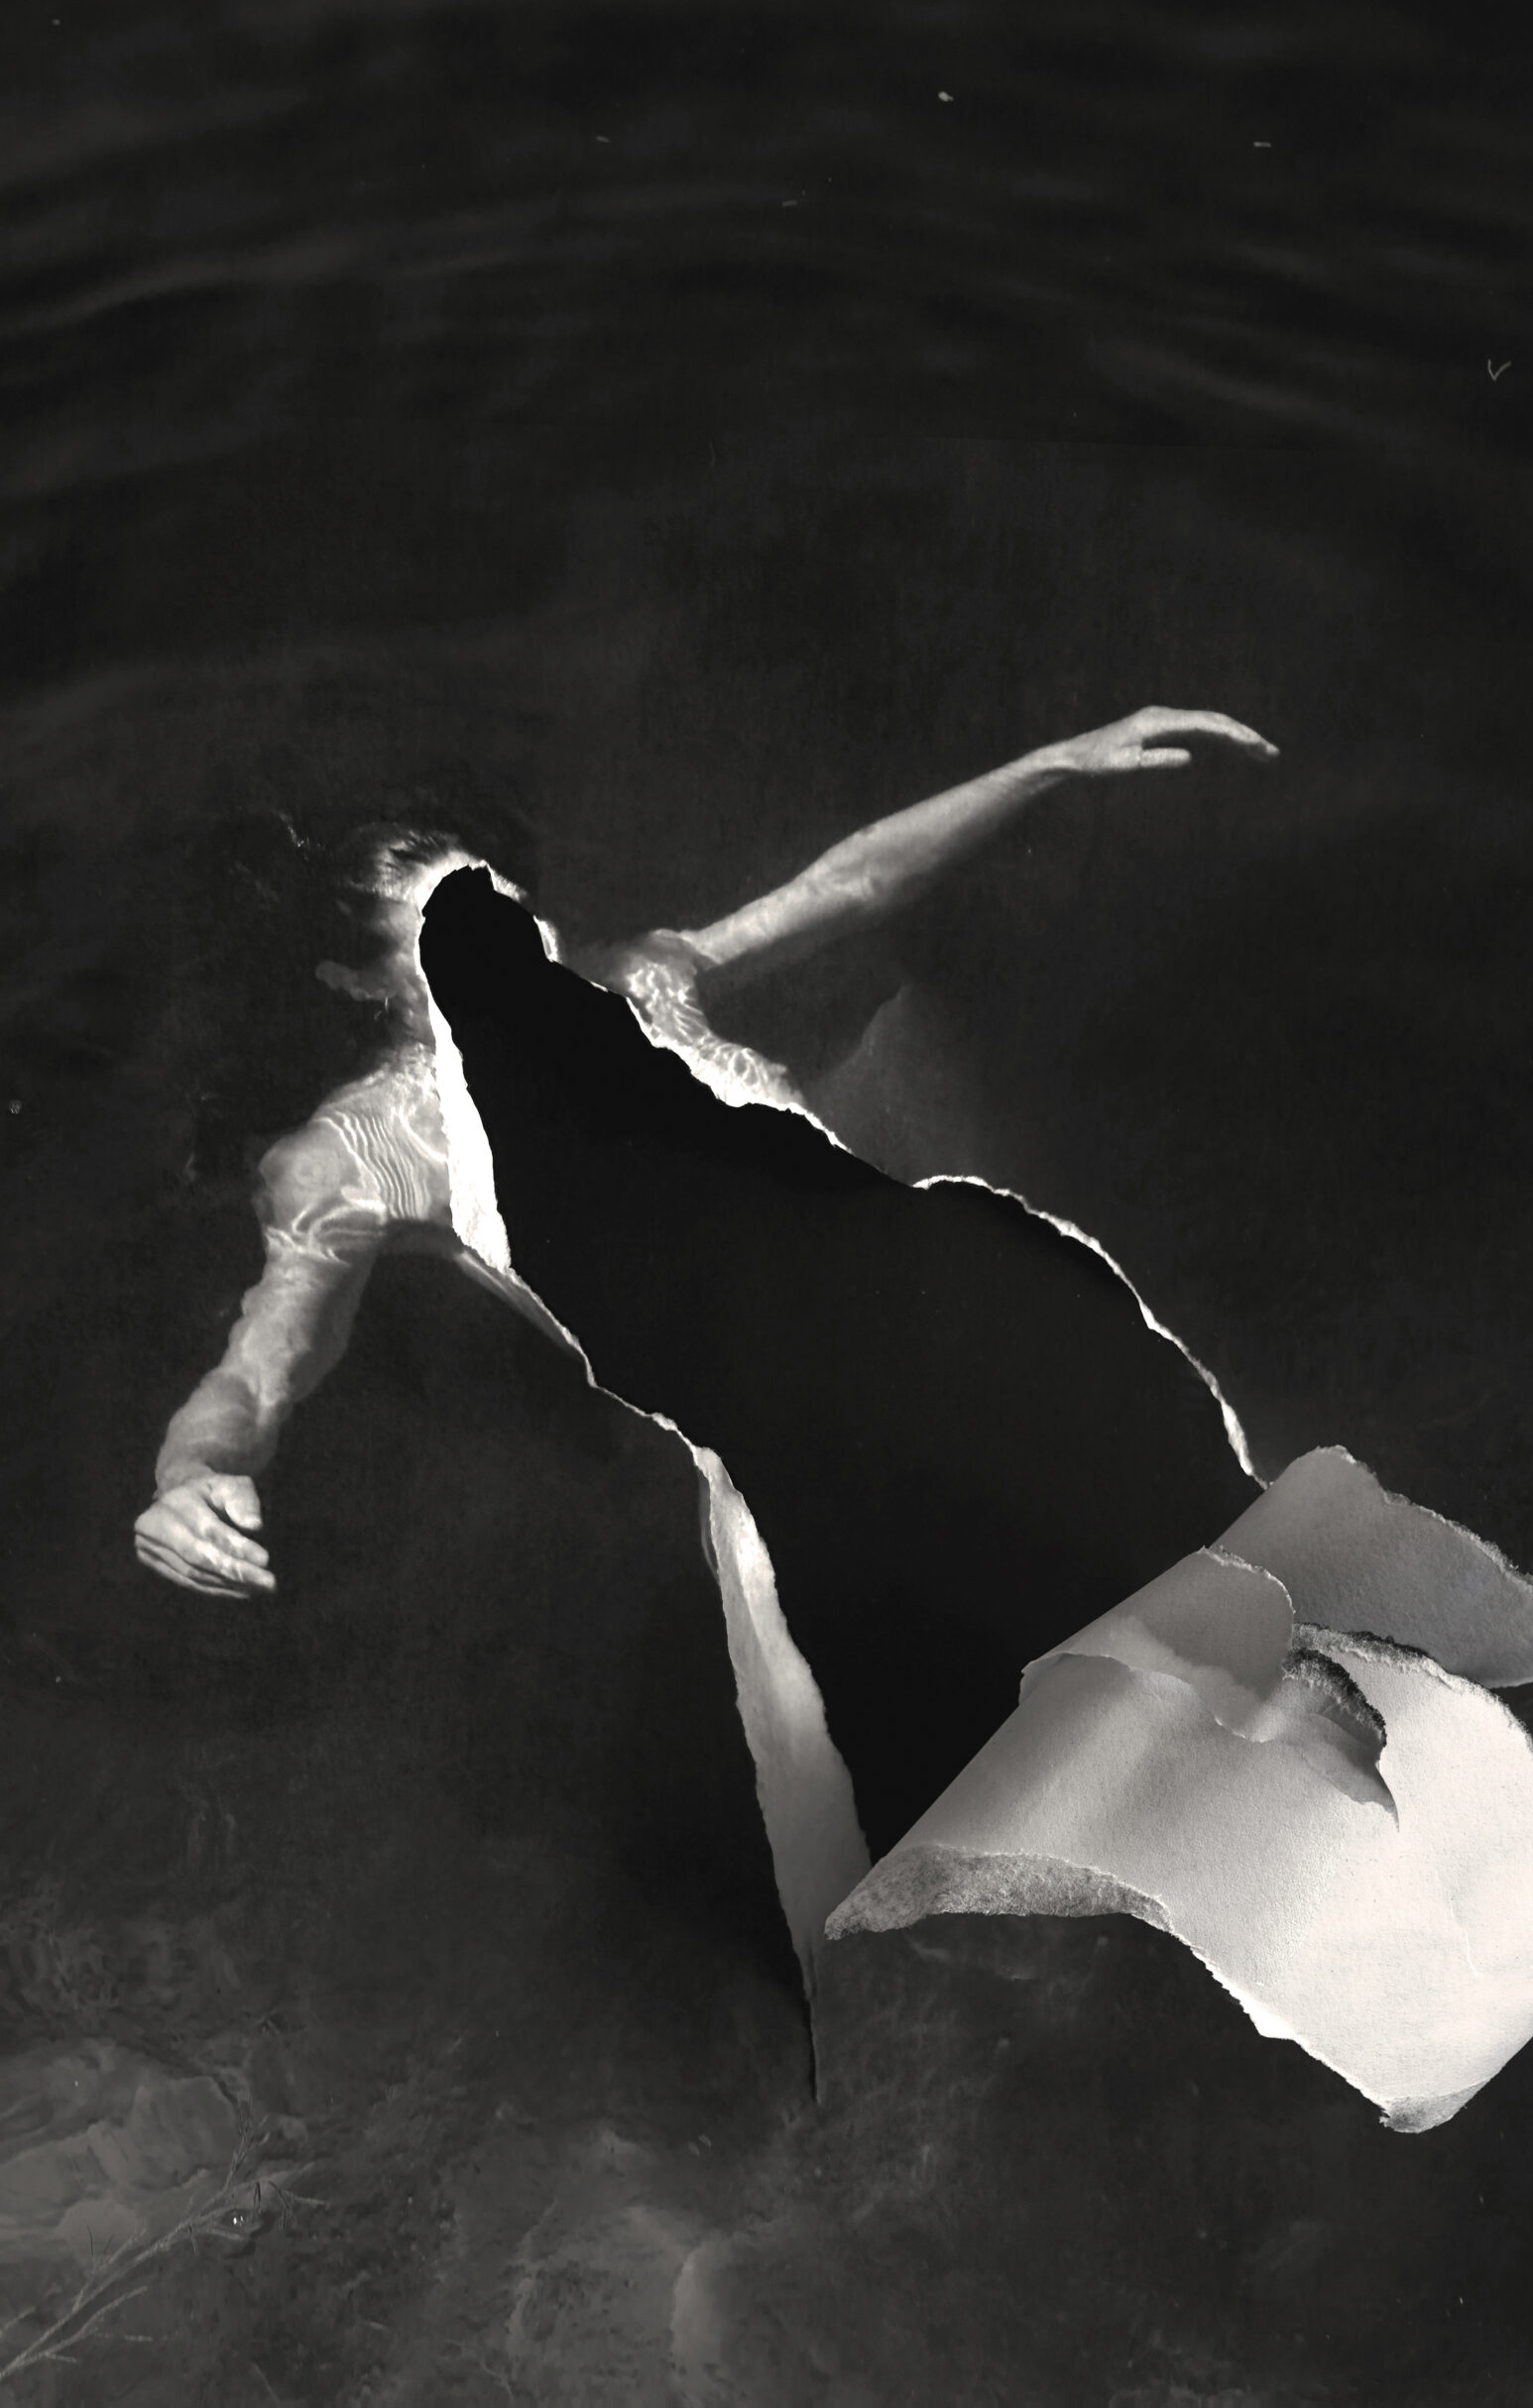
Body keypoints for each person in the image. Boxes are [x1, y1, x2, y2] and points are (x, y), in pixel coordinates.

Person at [136, 706, 1275, 1870]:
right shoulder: (359, 1152)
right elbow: (259, 1369)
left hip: (961, 1327)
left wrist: (1052, 763)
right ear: (357, 980)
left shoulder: (643, 980)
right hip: (812, 1475)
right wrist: (194, 1474)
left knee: (1256, 1646)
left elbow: (849, 885)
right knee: (1064, 1795)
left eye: (501, 899)